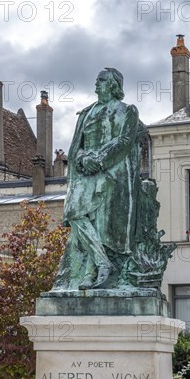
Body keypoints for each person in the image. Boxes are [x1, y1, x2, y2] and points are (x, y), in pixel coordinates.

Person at [52, 68, 149, 291]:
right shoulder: (87, 113)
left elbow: (125, 141)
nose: (96, 85)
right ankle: (101, 262)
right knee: (73, 210)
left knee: (102, 223)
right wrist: (83, 158)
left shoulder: (127, 111)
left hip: (114, 174)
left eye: (101, 81)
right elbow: (77, 146)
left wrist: (99, 158)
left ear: (114, 85)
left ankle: (91, 271)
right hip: (87, 173)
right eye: (96, 81)